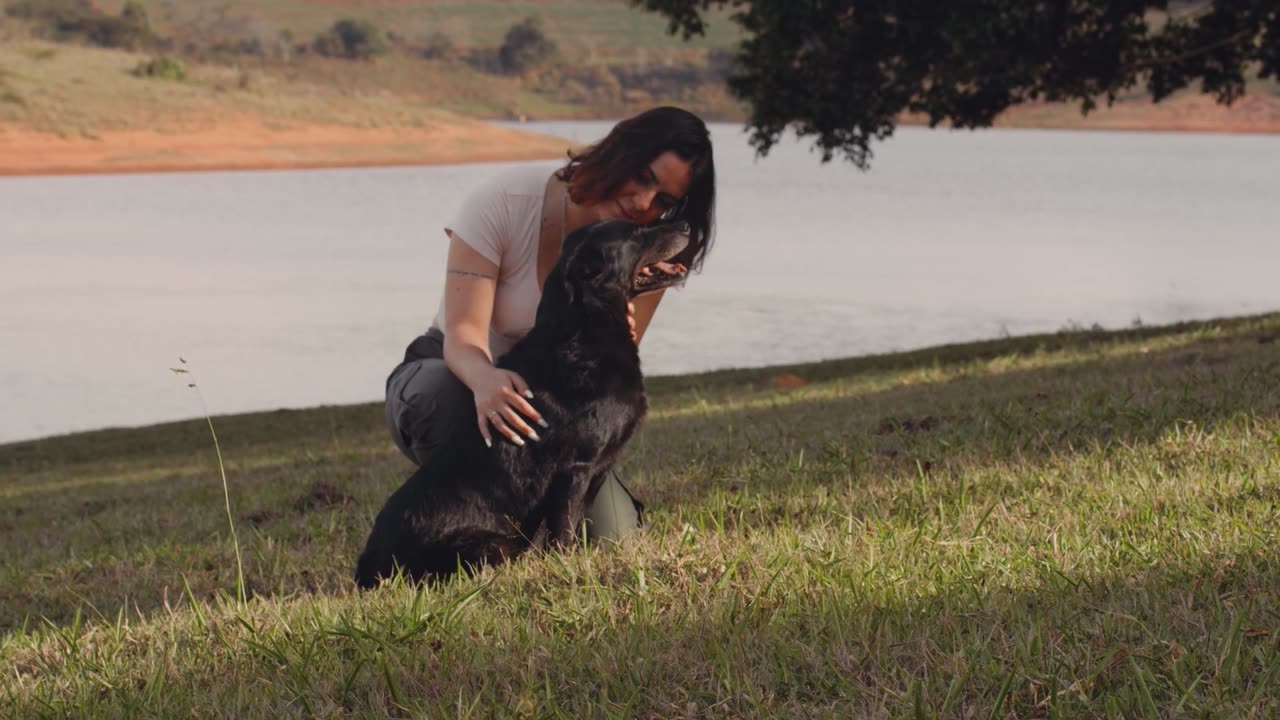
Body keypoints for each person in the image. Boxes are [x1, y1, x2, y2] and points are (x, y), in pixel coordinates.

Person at [384, 106, 716, 541]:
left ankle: (529, 532)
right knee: (451, 400)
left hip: (552, 409)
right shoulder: (505, 198)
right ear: (620, 151)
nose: (642, 203)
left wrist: (613, 328)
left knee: (615, 538)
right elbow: (463, 335)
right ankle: (457, 520)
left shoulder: (642, 254)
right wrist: (486, 380)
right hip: (457, 373)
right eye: (644, 176)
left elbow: (600, 388)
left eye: (664, 202)